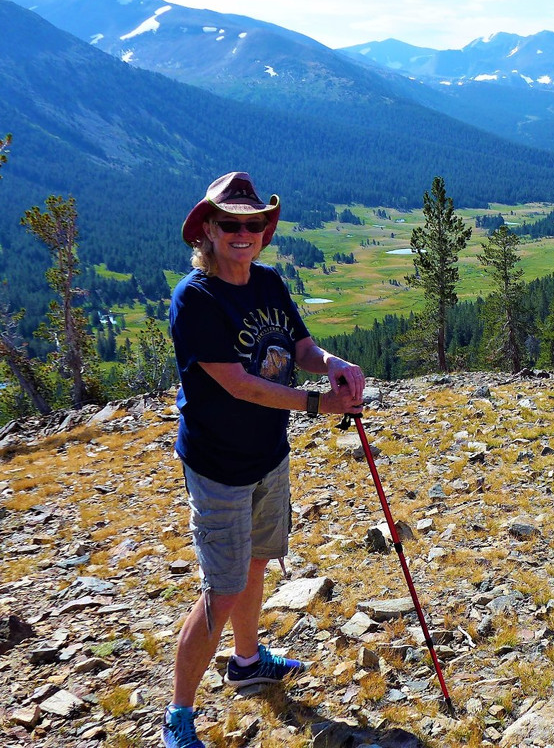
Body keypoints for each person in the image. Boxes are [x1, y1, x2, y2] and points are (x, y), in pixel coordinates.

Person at [162, 172, 366, 748]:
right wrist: (317, 403)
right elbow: (238, 384)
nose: (243, 232)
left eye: (253, 223)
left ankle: (247, 662)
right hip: (219, 466)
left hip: (268, 456)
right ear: (208, 229)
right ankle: (178, 715)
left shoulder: (269, 282)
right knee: (222, 589)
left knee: (256, 564)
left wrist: (332, 363)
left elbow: (300, 347)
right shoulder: (196, 299)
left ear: (264, 231)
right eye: (230, 223)